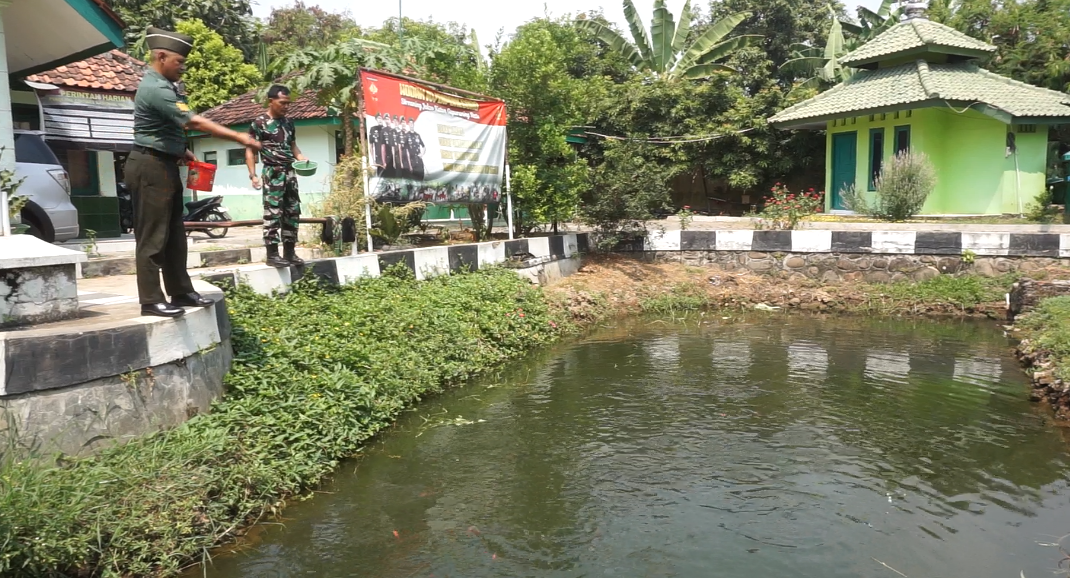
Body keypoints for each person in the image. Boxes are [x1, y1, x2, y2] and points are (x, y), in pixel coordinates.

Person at [128, 26, 261, 318]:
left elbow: (163, 127)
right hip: (149, 166)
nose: (183, 68)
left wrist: (181, 150)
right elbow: (192, 122)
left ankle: (180, 291)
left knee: (174, 233)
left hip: (163, 164)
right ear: (160, 56)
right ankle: (150, 299)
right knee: (152, 236)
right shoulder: (155, 87)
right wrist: (240, 138)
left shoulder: (166, 86)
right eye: (179, 62)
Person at [246, 85, 308, 268]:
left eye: (288, 103)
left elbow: (293, 146)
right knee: (273, 212)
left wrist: (301, 158)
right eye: (282, 103)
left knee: (292, 211)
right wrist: (253, 175)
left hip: (290, 172)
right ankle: (272, 254)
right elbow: (250, 151)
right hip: (272, 173)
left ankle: (289, 253)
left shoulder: (289, 123)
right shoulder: (258, 123)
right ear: (270, 101)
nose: (286, 107)